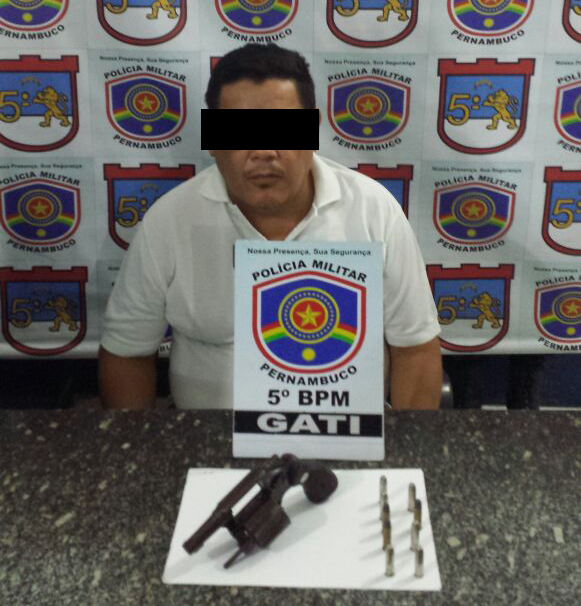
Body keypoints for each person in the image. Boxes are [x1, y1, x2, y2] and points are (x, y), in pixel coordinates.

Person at [99, 43, 442, 410]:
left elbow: (416, 350)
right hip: (207, 436)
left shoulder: (374, 211)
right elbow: (127, 353)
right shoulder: (169, 221)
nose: (264, 152)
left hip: (350, 431)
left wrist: (407, 442)